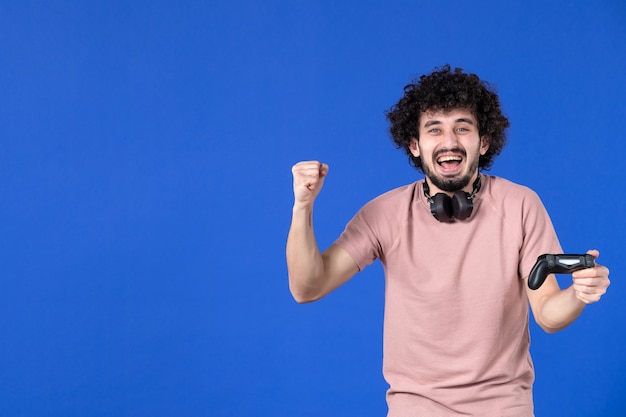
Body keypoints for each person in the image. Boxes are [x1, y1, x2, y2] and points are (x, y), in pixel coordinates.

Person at [285, 65, 610, 417]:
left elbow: (547, 314)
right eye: (434, 129)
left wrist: (579, 293)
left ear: (483, 141)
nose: (449, 141)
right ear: (415, 144)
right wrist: (303, 207)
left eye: (462, 128)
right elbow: (308, 288)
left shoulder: (520, 205)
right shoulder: (384, 213)